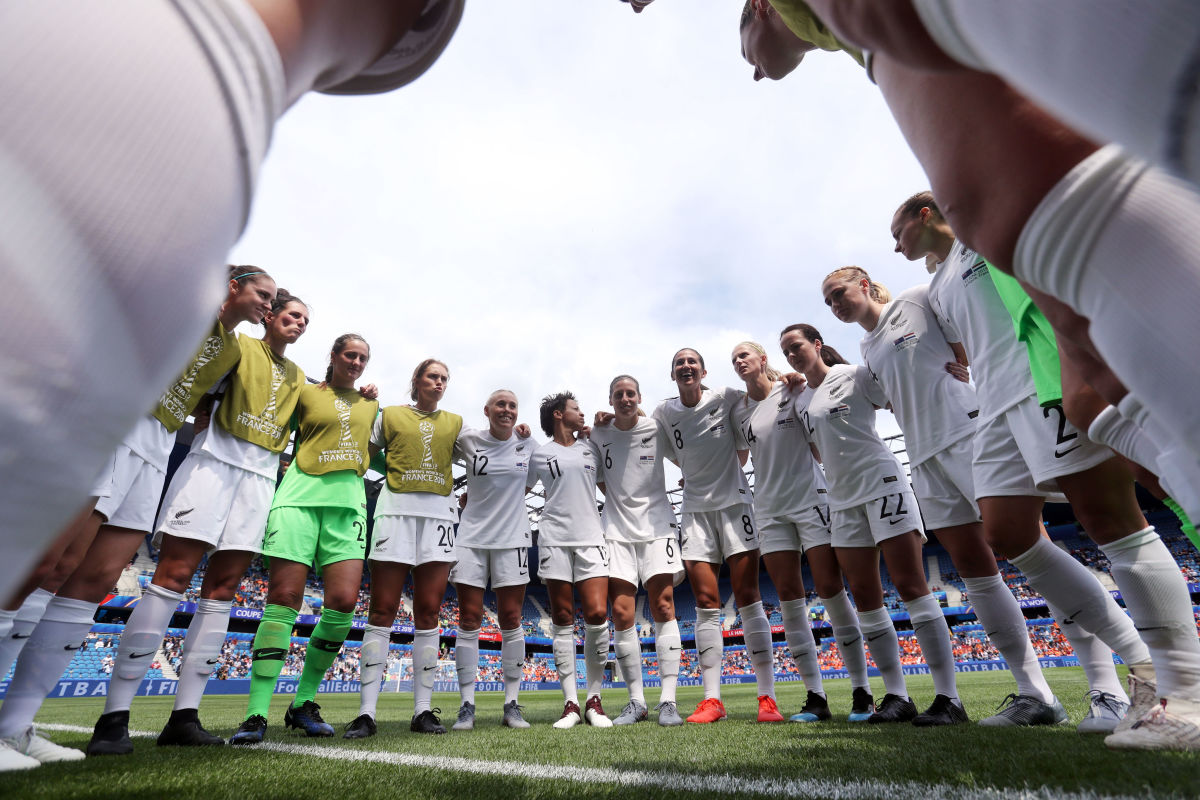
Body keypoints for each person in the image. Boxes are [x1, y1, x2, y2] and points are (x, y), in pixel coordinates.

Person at [0, 0, 466, 608]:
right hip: (128, 427)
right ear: (240, 294)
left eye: (292, 310)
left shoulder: (282, 369)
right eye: (276, 304)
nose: (283, 314)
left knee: (89, 573)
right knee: (52, 560)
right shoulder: (218, 328)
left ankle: (39, 670)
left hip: (176, 446)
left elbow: (215, 398)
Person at [742, 0, 1200, 530]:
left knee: (1126, 448)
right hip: (1037, 297)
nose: (753, 70)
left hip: (1070, 236)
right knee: (1113, 452)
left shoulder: (921, 295)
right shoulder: (931, 289)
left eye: (746, 53)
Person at [892, 194, 1200, 748]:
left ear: (925, 212)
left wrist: (1074, 365)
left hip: (1041, 382)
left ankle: (1183, 690)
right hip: (993, 406)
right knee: (1007, 533)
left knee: (1110, 519)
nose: (896, 247)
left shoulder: (987, 228)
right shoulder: (937, 285)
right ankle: (1142, 665)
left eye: (898, 231)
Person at [0, 270, 280, 770]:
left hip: (157, 444)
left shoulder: (231, 350)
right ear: (232, 285)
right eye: (263, 294)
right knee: (49, 564)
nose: (269, 304)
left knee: (94, 579)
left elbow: (205, 401)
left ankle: (15, 726)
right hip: (115, 422)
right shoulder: (183, 306)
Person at [822, 266, 1073, 727]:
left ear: (864, 284)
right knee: (975, 567)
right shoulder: (865, 348)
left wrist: (964, 367)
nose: (835, 304)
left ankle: (1108, 686)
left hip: (967, 433)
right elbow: (893, 396)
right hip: (923, 455)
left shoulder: (918, 298)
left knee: (1031, 546)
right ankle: (1034, 693)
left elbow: (966, 346)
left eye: (839, 292)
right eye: (828, 301)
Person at [778, 324, 963, 726]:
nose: (791, 355)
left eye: (796, 346)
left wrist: (953, 372)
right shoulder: (801, 399)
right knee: (864, 596)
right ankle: (897, 696)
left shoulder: (855, 375)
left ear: (817, 344)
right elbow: (816, 451)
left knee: (911, 585)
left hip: (882, 484)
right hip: (842, 500)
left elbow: (901, 398)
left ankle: (949, 698)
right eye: (785, 351)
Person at [229, 334, 378, 744]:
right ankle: (256, 713)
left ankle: (303, 702)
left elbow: (386, 454)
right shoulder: (305, 392)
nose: (356, 362)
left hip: (347, 505)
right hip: (297, 498)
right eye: (350, 354)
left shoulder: (371, 404)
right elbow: (268, 420)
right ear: (334, 356)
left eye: (363, 358)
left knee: (344, 603)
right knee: (284, 598)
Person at [729, 343, 874, 723]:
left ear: (763, 359)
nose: (739, 361)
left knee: (830, 589)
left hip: (811, 500)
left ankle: (862, 692)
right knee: (789, 600)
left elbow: (819, 447)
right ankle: (815, 697)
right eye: (734, 359)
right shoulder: (739, 409)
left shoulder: (793, 389)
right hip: (769, 509)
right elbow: (739, 455)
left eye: (745, 355)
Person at [653, 349, 782, 724]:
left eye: (692, 361)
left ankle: (767, 699)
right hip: (694, 513)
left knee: (748, 598)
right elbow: (662, 446)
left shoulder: (725, 397)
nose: (686, 366)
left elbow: (757, 404)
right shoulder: (663, 412)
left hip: (735, 506)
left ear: (704, 371)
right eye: (679, 363)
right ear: (673, 374)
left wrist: (786, 381)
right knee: (706, 604)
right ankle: (712, 701)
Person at [350, 359, 462, 736]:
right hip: (394, 512)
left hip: (439, 518)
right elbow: (361, 453)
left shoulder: (455, 423)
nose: (439, 382)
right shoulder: (390, 415)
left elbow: (488, 453)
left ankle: (423, 711)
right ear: (417, 380)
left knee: (429, 612)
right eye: (432, 376)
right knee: (382, 609)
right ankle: (366, 713)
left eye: (444, 378)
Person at [589, 376, 685, 727]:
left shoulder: (656, 427)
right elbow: (599, 477)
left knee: (663, 605)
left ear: (639, 397)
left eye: (631, 394)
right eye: (619, 394)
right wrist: (620, 497)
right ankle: (636, 702)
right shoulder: (598, 433)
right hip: (616, 531)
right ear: (610, 399)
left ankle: (668, 701)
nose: (625, 399)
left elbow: (686, 454)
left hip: (657, 527)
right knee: (621, 612)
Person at [447, 390, 535, 731]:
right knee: (469, 619)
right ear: (486, 410)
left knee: (511, 619)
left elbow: (533, 481)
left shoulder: (528, 444)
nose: (507, 410)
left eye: (512, 405)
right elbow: (437, 444)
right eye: (501, 404)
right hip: (471, 538)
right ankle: (466, 705)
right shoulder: (469, 439)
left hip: (512, 539)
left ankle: (511, 704)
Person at [528, 392, 613, 729]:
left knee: (597, 614)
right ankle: (571, 704)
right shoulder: (539, 453)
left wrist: (605, 429)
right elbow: (517, 489)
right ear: (559, 414)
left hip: (591, 536)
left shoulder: (592, 447)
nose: (583, 413)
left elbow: (611, 487)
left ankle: (594, 700)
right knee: (562, 617)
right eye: (577, 409)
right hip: (554, 538)